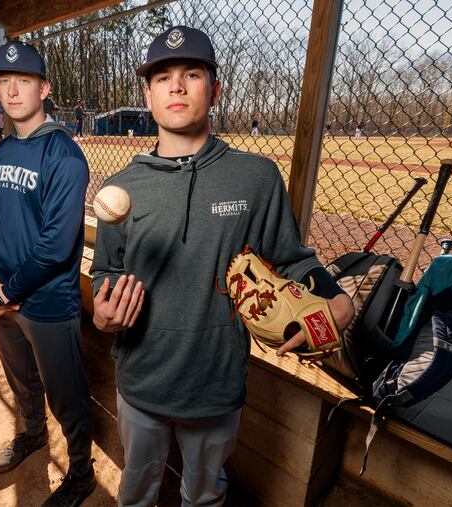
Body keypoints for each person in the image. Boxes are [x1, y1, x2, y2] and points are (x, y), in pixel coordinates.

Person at [89, 26, 354, 506]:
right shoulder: (122, 189)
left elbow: (291, 258)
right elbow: (107, 272)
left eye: (191, 74)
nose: (176, 86)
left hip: (216, 380)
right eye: (162, 76)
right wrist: (102, 314)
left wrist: (337, 299)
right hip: (141, 377)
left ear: (215, 90)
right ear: (147, 93)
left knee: (205, 495)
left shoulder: (255, 177)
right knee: (137, 489)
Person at [0, 40, 95, 507]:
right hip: (3, 297)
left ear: (43, 88)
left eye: (22, 81)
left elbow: (56, 245)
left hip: (46, 304)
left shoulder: (63, 155)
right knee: (21, 380)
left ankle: (82, 474)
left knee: (66, 395)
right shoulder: (0, 151)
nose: (11, 90)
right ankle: (31, 434)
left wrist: (8, 290)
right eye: (3, 81)